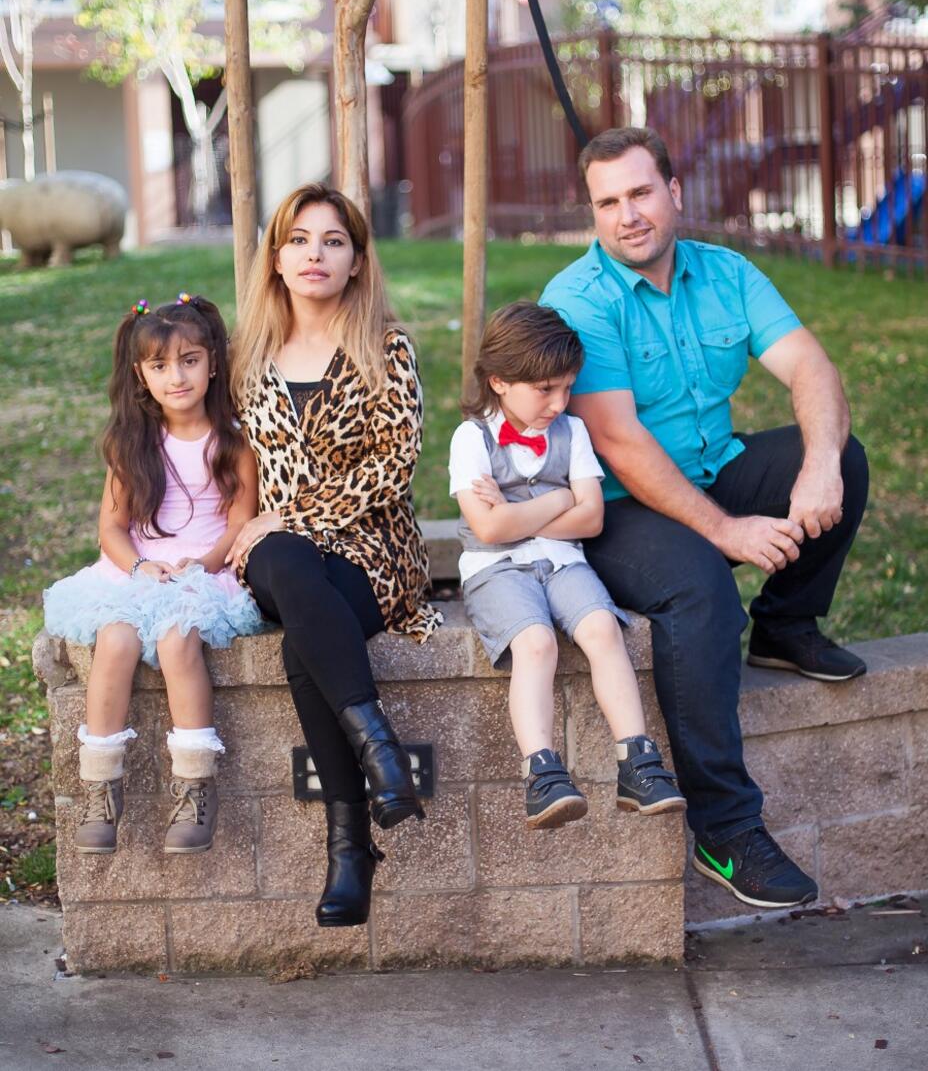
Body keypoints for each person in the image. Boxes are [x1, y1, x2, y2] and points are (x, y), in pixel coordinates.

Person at [541, 126, 869, 909]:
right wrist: (728, 534)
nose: (627, 215)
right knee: (701, 593)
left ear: (675, 190)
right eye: (608, 201)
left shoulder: (726, 273)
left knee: (840, 458)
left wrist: (819, 465)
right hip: (614, 507)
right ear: (594, 213)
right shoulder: (579, 300)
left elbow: (811, 366)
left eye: (641, 192)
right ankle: (725, 832)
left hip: (712, 468)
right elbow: (618, 442)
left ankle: (788, 626)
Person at [228, 182, 441, 930]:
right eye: (299, 240)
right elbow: (227, 470)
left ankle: (350, 850)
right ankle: (378, 754)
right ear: (276, 258)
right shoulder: (246, 356)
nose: (315, 254)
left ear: (357, 260)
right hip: (272, 552)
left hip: (372, 547)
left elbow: (396, 463)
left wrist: (294, 513)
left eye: (333, 241)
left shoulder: (386, 348)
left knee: (305, 647)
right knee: (285, 561)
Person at [450, 301, 685, 829]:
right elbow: (489, 531)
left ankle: (638, 762)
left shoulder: (572, 432)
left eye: (566, 388)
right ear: (499, 381)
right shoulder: (471, 440)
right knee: (536, 642)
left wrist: (517, 512)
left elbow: (593, 519)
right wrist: (560, 502)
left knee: (603, 627)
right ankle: (542, 772)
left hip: (562, 562)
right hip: (497, 570)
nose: (559, 403)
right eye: (545, 390)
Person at [44, 294, 263, 856]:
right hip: (139, 571)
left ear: (213, 361)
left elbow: (240, 524)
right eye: (160, 366)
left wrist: (204, 565)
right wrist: (141, 566)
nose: (177, 376)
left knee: (177, 638)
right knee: (115, 640)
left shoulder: (234, 441)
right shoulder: (132, 443)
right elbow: (112, 530)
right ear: (141, 374)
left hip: (205, 573)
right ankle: (101, 786)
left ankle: (194, 785)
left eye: (189, 360)